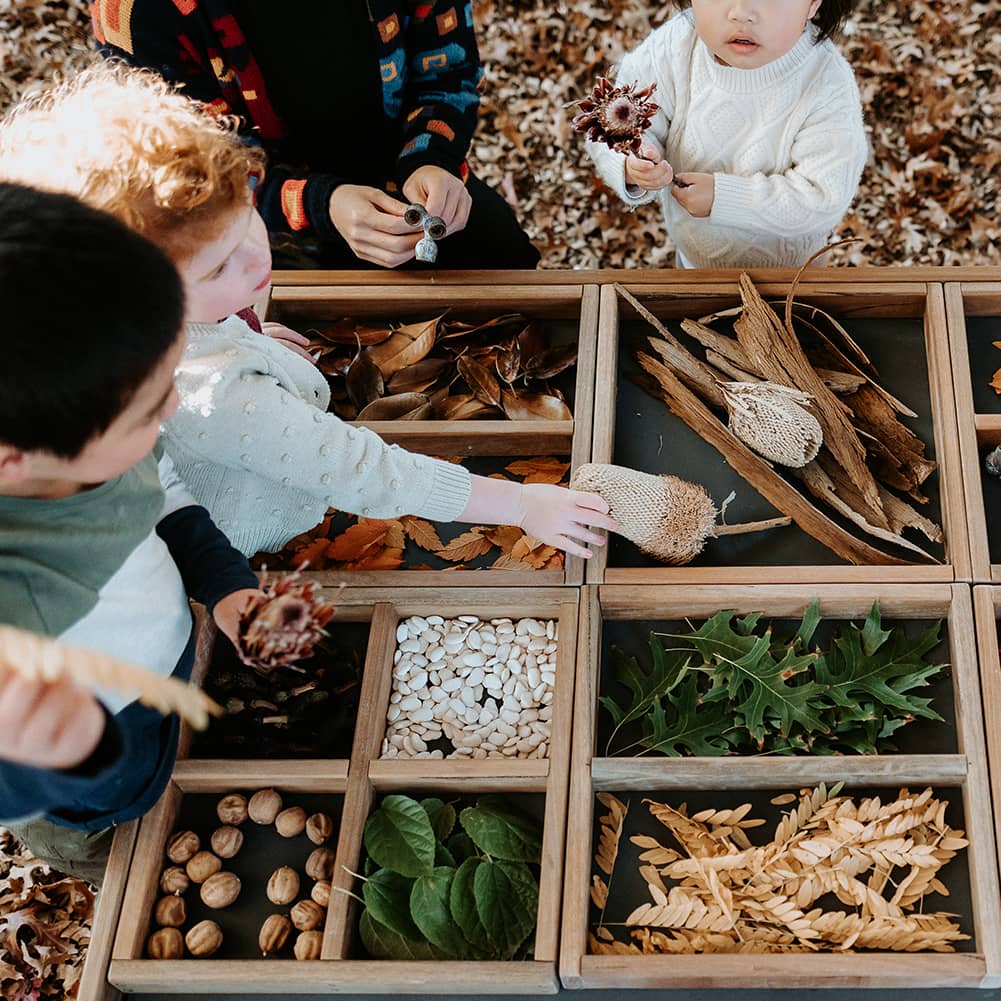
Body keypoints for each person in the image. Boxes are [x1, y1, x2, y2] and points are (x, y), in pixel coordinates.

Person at [0, 65, 615, 561]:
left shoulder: (171, 324)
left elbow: (210, 335)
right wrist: (524, 507)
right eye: (216, 270)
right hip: (266, 518)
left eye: (246, 221)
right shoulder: (214, 393)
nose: (253, 266)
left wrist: (251, 334)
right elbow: (360, 468)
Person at [0, 182, 263, 887]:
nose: (172, 405)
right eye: (148, 409)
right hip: (78, 778)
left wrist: (226, 582)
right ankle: (98, 857)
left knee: (161, 750)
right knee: (104, 828)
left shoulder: (89, 439)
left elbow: (162, 498)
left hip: (164, 665)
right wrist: (34, 756)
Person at [89, 0, 541, 271]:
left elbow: (447, 71)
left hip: (398, 183)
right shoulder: (136, 12)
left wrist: (431, 158)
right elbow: (182, 173)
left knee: (510, 266)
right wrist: (320, 205)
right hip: (244, 227)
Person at [584, 0, 867, 269]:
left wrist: (725, 198)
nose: (741, 13)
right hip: (694, 264)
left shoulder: (826, 82)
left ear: (814, 4)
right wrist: (634, 162)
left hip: (793, 274)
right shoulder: (675, 47)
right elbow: (614, 117)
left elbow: (822, 196)